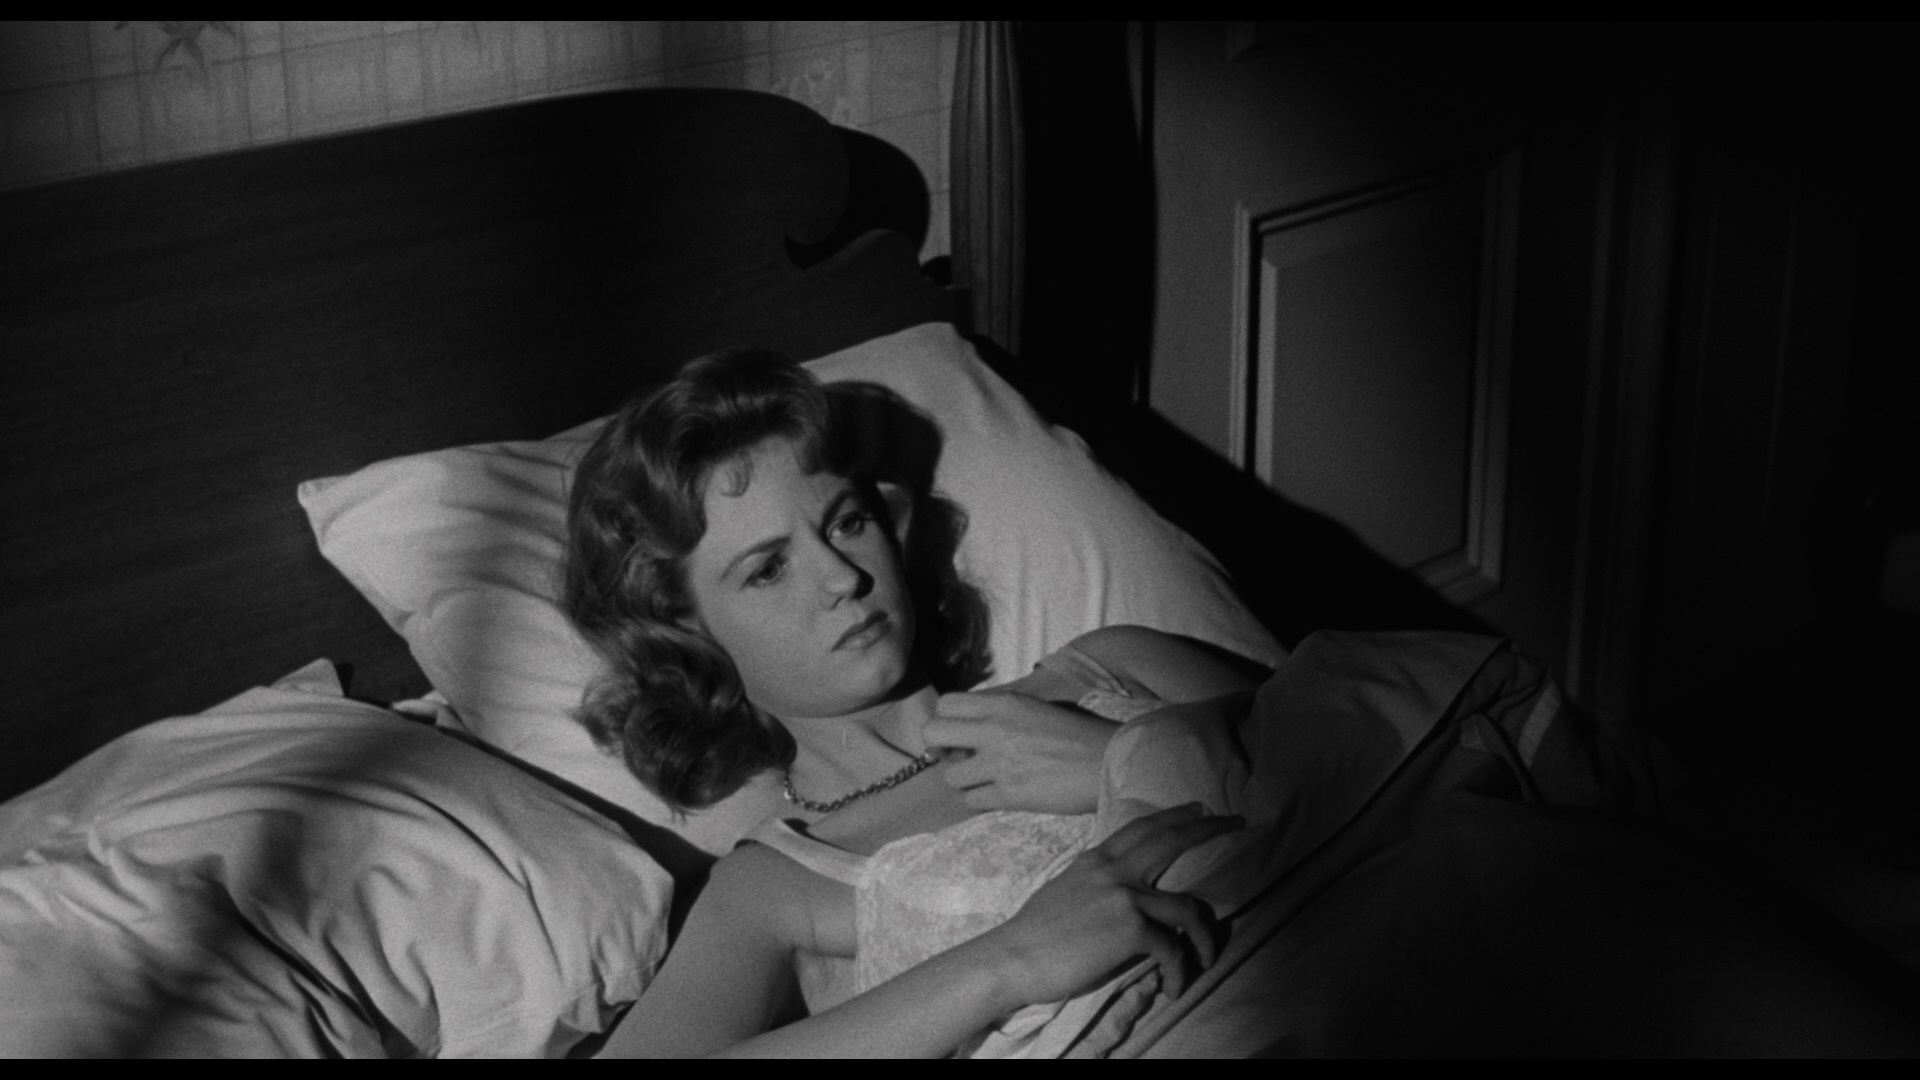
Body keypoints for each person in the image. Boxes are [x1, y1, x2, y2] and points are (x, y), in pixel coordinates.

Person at [562, 348, 1257, 1057]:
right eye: (768, 569)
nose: (841, 577)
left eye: (846, 523)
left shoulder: (1114, 663)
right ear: (687, 632)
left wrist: (1118, 758)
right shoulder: (773, 886)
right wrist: (1011, 960)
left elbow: (1334, 730)